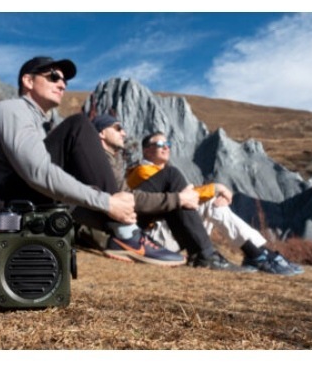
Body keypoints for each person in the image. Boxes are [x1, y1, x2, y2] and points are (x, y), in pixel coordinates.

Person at [0, 56, 184, 266]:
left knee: (81, 180)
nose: (62, 85)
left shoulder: (41, 125)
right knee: (78, 126)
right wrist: (108, 203)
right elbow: (37, 172)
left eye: (64, 81)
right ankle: (126, 233)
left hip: (21, 209)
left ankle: (130, 233)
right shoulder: (13, 110)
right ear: (28, 81)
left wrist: (114, 206)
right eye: (53, 77)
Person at [125, 129, 304, 275]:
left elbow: (188, 196)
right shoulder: (142, 172)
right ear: (146, 151)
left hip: (169, 233)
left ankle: (258, 252)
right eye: (160, 144)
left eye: (168, 144)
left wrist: (212, 192)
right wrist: (216, 188)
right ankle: (257, 254)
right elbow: (184, 197)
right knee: (210, 202)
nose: (166, 147)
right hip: (154, 238)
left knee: (213, 203)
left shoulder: (164, 172)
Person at [92, 114, 246, 271]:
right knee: (172, 177)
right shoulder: (100, 159)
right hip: (116, 219)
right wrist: (183, 197)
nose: (123, 133)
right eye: (118, 128)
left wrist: (179, 198)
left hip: (126, 213)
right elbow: (121, 198)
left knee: (176, 183)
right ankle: (208, 255)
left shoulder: (114, 158)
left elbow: (124, 194)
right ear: (102, 133)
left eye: (168, 144)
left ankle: (206, 254)